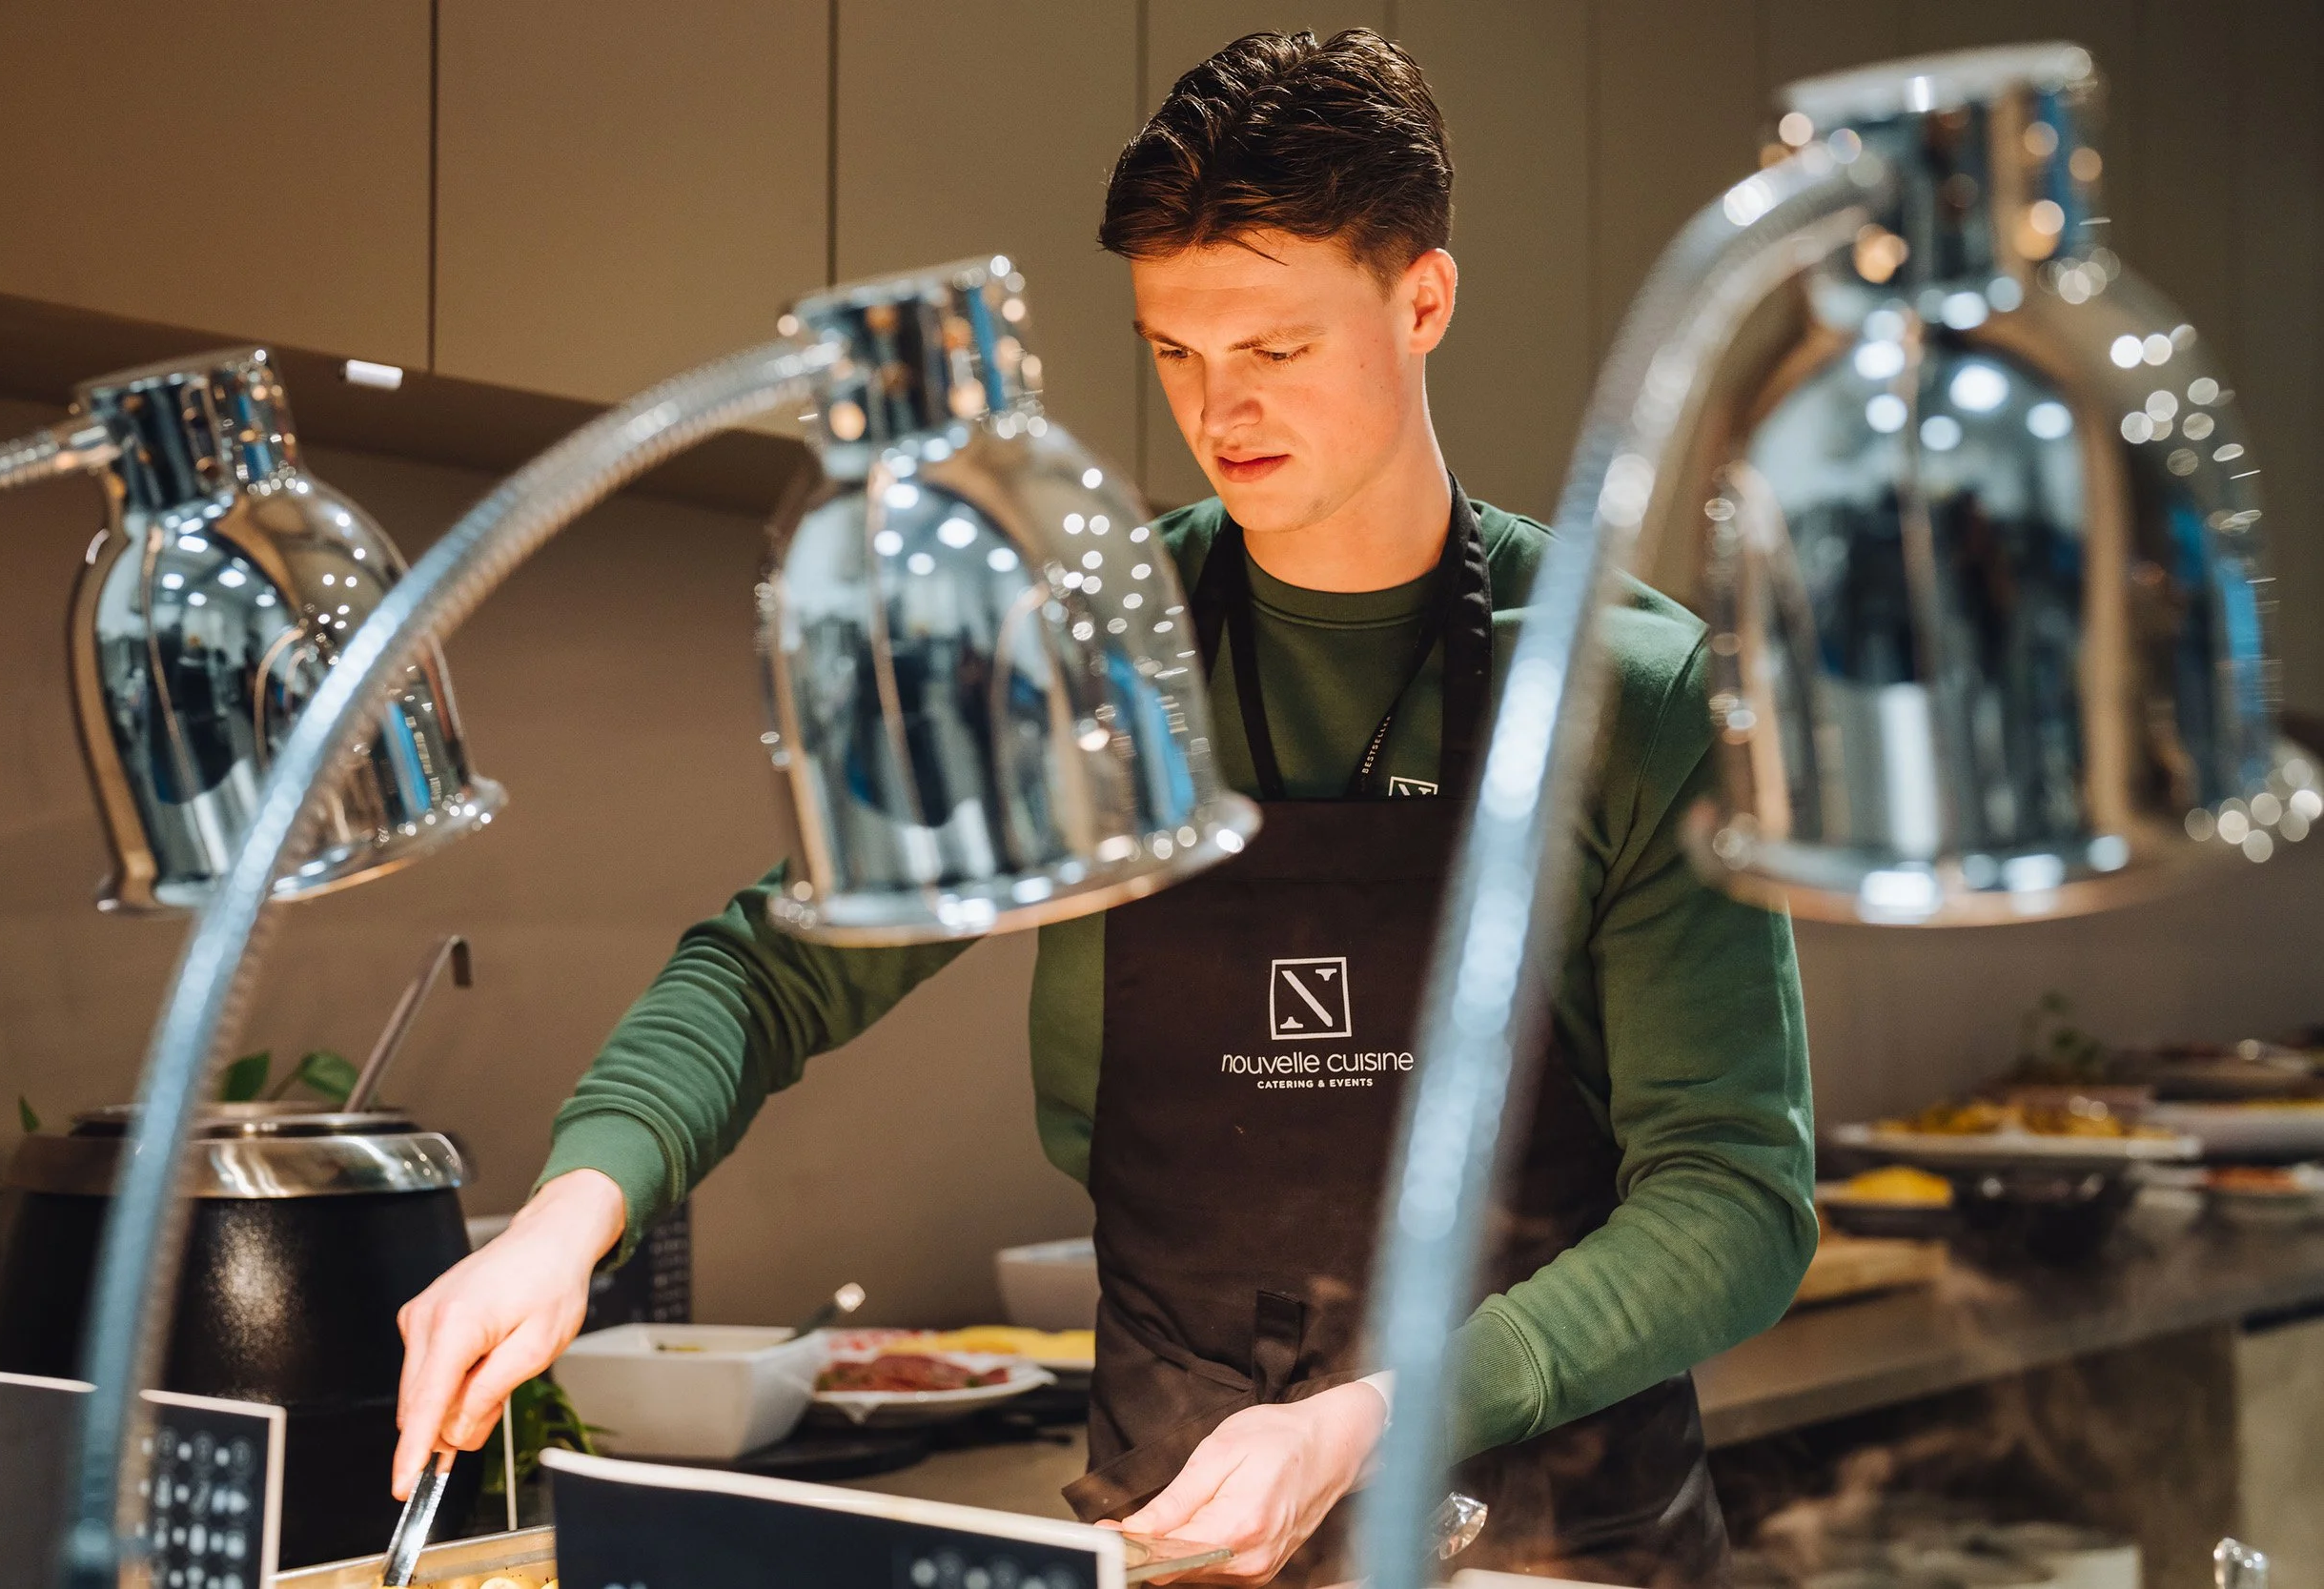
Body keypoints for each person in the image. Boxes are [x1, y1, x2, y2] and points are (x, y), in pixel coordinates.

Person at [391, 29, 1816, 1589]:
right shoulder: (1090, 657)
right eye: (1174, 353)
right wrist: (564, 1217)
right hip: (1170, 1534)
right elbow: (771, 968)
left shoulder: (1628, 690)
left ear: (1423, 302)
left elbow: (1733, 1198)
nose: (1221, 408)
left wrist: (1365, 1421)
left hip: (1553, 1544)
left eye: (1276, 349)